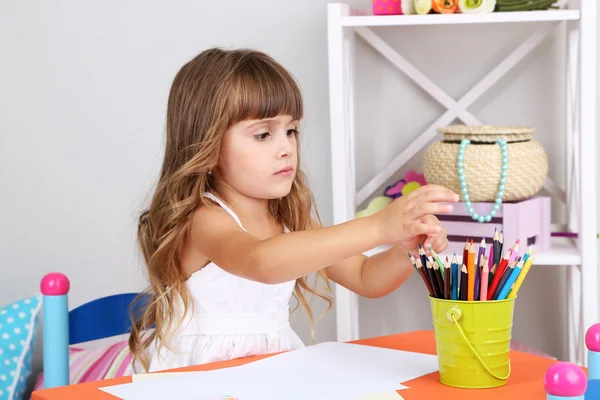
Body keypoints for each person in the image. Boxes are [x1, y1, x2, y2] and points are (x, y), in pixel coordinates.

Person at [128, 47, 458, 372]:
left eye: (291, 130)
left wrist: (404, 250)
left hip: (274, 373)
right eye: (263, 135)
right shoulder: (204, 220)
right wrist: (378, 227)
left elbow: (365, 277)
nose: (286, 148)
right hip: (200, 381)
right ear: (208, 146)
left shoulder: (289, 218)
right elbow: (262, 261)